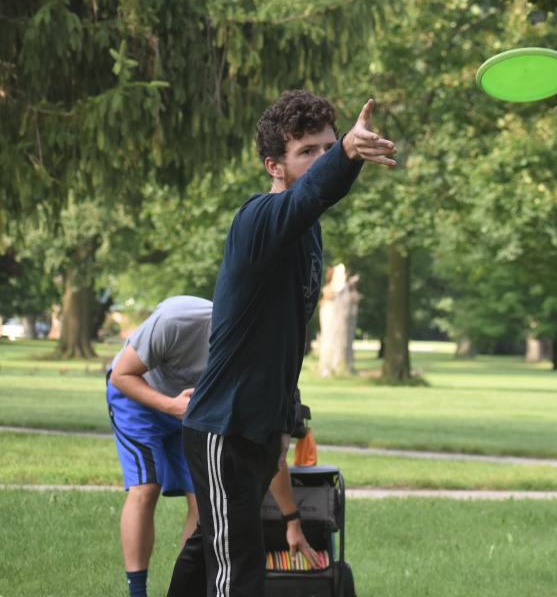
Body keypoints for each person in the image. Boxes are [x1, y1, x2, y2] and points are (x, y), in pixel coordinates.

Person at [167, 91, 395, 597]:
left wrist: (288, 412)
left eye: (326, 148)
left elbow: (282, 332)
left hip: (262, 423)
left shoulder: (305, 231)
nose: (319, 159)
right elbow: (311, 195)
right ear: (274, 165)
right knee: (236, 568)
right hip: (224, 426)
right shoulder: (259, 220)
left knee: (212, 541)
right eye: (306, 151)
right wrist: (347, 156)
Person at [107, 296, 322, 597]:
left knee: (204, 502)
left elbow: (270, 456)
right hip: (139, 394)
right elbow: (122, 375)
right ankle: (137, 591)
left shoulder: (255, 361)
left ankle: (189, 585)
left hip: (193, 412)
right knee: (146, 488)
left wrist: (292, 521)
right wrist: (170, 406)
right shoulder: (177, 321)